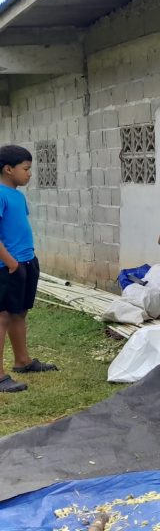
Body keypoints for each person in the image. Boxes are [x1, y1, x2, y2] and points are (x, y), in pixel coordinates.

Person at [0, 145, 58, 393]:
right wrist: (11, 262)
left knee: (19, 312)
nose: (29, 174)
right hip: (6, 266)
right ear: (8, 169)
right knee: (2, 316)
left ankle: (22, 361)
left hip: (25, 262)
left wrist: (26, 260)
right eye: (26, 169)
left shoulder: (18, 196)